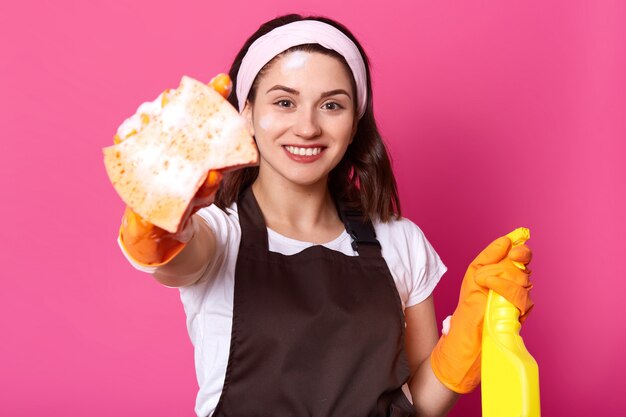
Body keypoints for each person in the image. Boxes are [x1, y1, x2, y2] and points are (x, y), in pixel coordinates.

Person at [117, 14, 533, 417]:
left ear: (354, 124)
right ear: (246, 114)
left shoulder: (400, 242)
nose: (307, 127)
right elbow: (171, 258)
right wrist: (157, 211)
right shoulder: (219, 234)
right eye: (284, 102)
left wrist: (466, 338)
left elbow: (417, 406)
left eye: (331, 105)